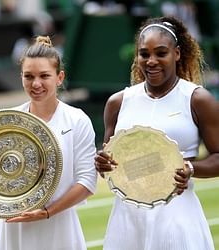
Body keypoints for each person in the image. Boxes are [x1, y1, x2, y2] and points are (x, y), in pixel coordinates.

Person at [94, 16, 219, 250]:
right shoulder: (118, 102)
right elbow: (110, 165)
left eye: (161, 53)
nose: (151, 61)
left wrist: (191, 169)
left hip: (177, 214)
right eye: (144, 54)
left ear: (177, 54)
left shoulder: (197, 98)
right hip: (127, 218)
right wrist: (102, 163)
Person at [0, 36, 98, 250]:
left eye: (44, 76)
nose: (36, 84)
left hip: (59, 225)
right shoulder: (8, 121)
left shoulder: (77, 120)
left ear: (60, 77)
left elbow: (87, 181)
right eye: (29, 76)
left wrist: (48, 212)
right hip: (14, 226)